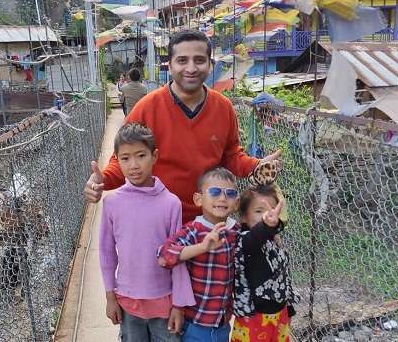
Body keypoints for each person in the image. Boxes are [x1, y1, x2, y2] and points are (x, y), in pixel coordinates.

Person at [84, 30, 281, 224]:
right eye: (182, 60)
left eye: (199, 60)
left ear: (210, 65)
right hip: (158, 220)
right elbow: (123, 158)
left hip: (207, 220)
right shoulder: (147, 108)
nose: (191, 68)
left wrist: (256, 166)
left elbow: (231, 155)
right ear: (170, 66)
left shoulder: (223, 108)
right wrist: (103, 180)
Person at [99, 123, 195, 341]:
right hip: (128, 303)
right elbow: (106, 254)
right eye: (125, 158)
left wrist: (179, 305)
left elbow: (177, 258)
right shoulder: (112, 203)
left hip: (164, 303)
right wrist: (110, 296)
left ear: (155, 156)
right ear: (118, 160)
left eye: (141, 155)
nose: (134, 165)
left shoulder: (171, 204)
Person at [157, 167, 240, 342]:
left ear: (236, 203)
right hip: (195, 324)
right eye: (215, 192)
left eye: (230, 193)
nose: (222, 198)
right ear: (198, 199)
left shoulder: (236, 231)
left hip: (223, 325)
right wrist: (202, 247)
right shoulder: (194, 230)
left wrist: (272, 233)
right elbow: (164, 255)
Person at [231, 184, 296, 342]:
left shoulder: (274, 241)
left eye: (272, 210)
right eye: (259, 211)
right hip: (253, 318)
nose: (267, 215)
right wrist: (267, 226)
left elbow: (281, 276)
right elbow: (253, 241)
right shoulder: (244, 239)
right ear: (244, 217)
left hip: (279, 315)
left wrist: (289, 308)